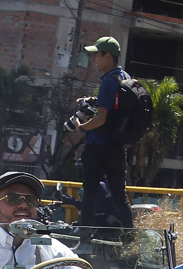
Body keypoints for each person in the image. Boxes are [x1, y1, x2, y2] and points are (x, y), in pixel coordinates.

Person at [71, 36, 134, 231]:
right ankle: (130, 239)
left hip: (98, 147)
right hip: (117, 147)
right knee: (119, 196)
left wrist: (80, 127)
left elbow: (101, 119)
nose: (93, 59)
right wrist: (94, 99)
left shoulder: (108, 81)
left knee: (90, 195)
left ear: (107, 56)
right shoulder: (124, 76)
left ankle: (85, 242)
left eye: (96, 55)